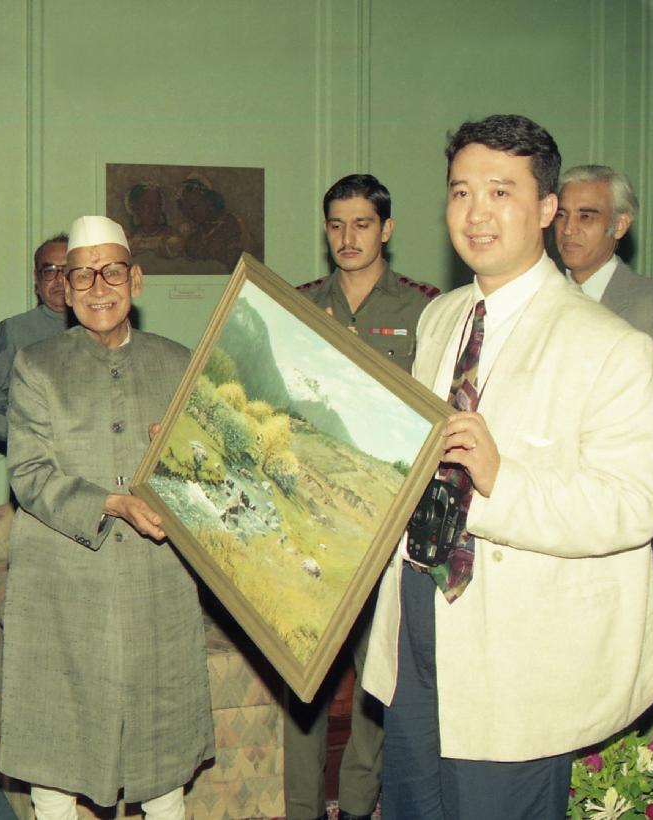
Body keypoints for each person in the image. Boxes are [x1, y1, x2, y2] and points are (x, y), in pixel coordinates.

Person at [361, 114, 653, 820]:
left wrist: (501, 481)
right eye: (461, 192)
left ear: (547, 208)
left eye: (501, 192)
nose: (476, 213)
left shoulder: (613, 345)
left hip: (518, 647)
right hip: (415, 614)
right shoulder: (441, 317)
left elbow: (633, 505)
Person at [0, 216, 214, 820]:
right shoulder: (36, 365)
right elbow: (29, 474)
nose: (98, 287)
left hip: (156, 578)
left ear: (135, 280)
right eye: (82, 275)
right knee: (58, 746)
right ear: (65, 288)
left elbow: (209, 474)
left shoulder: (178, 363)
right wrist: (112, 502)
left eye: (111, 272)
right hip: (62, 581)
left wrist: (187, 455)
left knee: (161, 748)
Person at [286, 173, 439, 820]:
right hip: (310, 517)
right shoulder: (298, 304)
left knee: (379, 673)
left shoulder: (425, 311)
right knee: (303, 676)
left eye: (362, 224)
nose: (348, 237)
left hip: (385, 521)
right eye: (336, 224)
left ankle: (354, 805)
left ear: (387, 229)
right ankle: (301, 809)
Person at [555, 164, 653, 487]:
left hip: (620, 496)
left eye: (586, 217)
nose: (568, 229)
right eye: (562, 215)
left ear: (620, 225)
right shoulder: (538, 299)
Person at [0, 232, 71, 446]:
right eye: (49, 271)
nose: (59, 280)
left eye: (67, 270)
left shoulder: (102, 328)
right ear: (37, 280)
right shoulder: (15, 330)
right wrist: (31, 441)